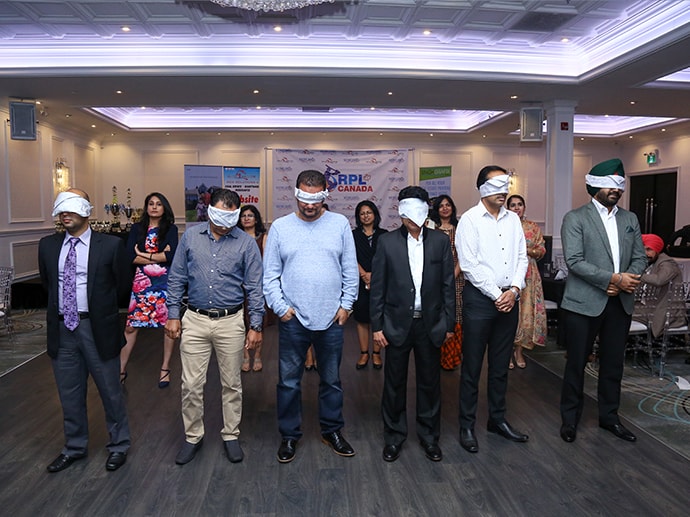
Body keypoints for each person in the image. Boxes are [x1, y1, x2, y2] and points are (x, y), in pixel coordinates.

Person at [263, 169, 359, 464]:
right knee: (289, 382)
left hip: (331, 319)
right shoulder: (280, 227)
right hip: (293, 319)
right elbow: (270, 275)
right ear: (295, 193)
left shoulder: (339, 224)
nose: (309, 205)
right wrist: (281, 309)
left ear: (325, 195)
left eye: (316, 199)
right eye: (304, 198)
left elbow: (350, 269)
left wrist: (346, 305)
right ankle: (289, 435)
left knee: (331, 380)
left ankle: (332, 431)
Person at [165, 188, 264, 465]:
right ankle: (193, 436)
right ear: (209, 211)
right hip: (194, 319)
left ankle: (231, 434)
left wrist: (256, 325)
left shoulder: (246, 244)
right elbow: (177, 277)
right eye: (219, 216)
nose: (224, 223)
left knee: (232, 383)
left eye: (230, 217)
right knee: (191, 384)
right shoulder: (190, 238)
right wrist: (173, 314)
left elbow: (255, 287)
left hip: (231, 321)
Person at [39, 189, 131, 472]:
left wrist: (102, 313)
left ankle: (119, 445)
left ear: (86, 210)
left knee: (110, 391)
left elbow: (122, 286)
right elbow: (48, 284)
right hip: (62, 329)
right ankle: (75, 447)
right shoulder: (47, 245)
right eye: (61, 207)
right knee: (69, 393)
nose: (64, 213)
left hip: (97, 328)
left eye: (72, 206)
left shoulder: (111, 245)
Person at [559, 158, 646, 444]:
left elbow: (640, 257)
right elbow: (574, 260)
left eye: (619, 185)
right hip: (583, 304)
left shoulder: (630, 219)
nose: (616, 190)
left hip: (620, 303)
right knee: (576, 363)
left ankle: (610, 418)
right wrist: (613, 279)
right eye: (610, 185)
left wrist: (624, 281)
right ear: (594, 186)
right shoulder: (575, 218)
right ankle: (570, 420)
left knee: (613, 364)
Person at [370, 186, 455, 462]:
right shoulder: (387, 242)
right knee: (394, 383)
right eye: (407, 212)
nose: (412, 218)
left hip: (430, 324)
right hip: (396, 324)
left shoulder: (440, 242)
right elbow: (378, 287)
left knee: (430, 383)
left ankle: (429, 437)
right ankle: (394, 437)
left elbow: (448, 284)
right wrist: (377, 326)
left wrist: (449, 324)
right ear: (400, 212)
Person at [456, 166, 529, 453]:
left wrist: (514, 290)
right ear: (481, 187)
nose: (504, 190)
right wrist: (499, 295)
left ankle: (497, 420)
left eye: (506, 184)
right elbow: (469, 264)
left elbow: (522, 257)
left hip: (509, 299)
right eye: (497, 185)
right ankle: (466, 425)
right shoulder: (469, 220)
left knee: (500, 367)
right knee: (472, 367)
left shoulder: (513, 220)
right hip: (480, 302)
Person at [119, 192, 178, 388]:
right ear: (146, 207)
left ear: (164, 208)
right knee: (131, 326)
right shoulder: (137, 228)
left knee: (168, 326)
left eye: (158, 204)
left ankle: (165, 368)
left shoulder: (170, 229)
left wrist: (143, 255)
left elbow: (171, 257)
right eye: (151, 203)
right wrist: (157, 256)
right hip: (141, 282)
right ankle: (121, 370)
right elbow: (130, 256)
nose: (154, 207)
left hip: (164, 282)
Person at [506, 194, 547, 369]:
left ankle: (519, 351)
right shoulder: (503, 225)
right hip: (508, 273)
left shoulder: (532, 227)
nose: (516, 208)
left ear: (524, 207)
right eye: (513, 205)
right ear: (507, 208)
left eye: (519, 204)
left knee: (526, 313)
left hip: (529, 275)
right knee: (508, 312)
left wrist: (527, 250)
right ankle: (506, 352)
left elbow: (541, 250)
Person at [429, 194, 464, 371]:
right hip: (433, 280)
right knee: (436, 314)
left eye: (448, 205)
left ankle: (452, 358)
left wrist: (451, 276)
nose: (445, 208)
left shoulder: (460, 229)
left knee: (454, 315)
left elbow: (464, 257)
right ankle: (435, 357)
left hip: (456, 280)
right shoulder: (430, 229)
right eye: (441, 205)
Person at [352, 200, 388, 370]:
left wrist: (374, 276)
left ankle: (376, 353)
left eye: (369, 212)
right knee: (362, 318)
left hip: (380, 281)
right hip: (360, 281)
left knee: (378, 317)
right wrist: (364, 275)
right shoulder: (353, 235)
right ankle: (364, 353)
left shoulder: (384, 235)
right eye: (362, 213)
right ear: (358, 217)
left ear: (375, 214)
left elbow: (387, 258)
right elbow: (350, 257)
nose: (366, 216)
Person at [635, 233, 685, 338]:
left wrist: (637, 276)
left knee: (621, 312)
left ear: (657, 250)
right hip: (651, 306)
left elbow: (659, 280)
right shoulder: (650, 262)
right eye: (643, 250)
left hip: (667, 311)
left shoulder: (668, 263)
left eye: (649, 249)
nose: (645, 253)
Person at [238, 204, 267, 373]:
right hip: (238, 286)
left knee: (257, 323)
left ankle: (257, 355)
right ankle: (245, 356)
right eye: (243, 216)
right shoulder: (235, 238)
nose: (246, 218)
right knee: (241, 323)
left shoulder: (263, 237)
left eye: (250, 215)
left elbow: (267, 263)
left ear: (256, 219)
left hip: (258, 286)